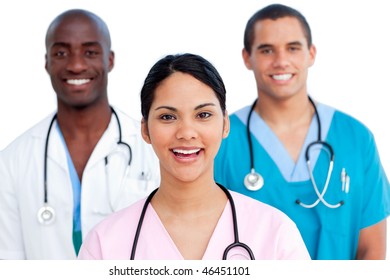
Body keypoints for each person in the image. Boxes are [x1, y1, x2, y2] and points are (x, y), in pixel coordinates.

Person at [77, 53, 310, 260]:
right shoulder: (103, 245)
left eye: (203, 114)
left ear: (225, 125)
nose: (186, 133)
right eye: (168, 117)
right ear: (146, 130)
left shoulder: (275, 233)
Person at [0, 9, 159, 260]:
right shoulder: (13, 160)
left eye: (90, 52)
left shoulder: (154, 148)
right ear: (47, 62)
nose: (76, 64)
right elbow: (4, 264)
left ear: (110, 60)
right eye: (61, 53)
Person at [214, 4, 390, 260]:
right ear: (247, 57)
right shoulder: (222, 140)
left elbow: (371, 250)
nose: (281, 61)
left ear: (311, 53)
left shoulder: (356, 138)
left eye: (293, 48)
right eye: (266, 50)